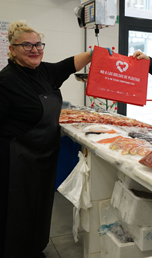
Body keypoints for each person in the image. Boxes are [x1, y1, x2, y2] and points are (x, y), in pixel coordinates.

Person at [0, 20, 94, 258]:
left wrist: (96, 53)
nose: (35, 50)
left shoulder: (44, 71)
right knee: (17, 211)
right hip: (17, 158)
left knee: (40, 206)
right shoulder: (6, 80)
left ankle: (35, 248)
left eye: (38, 44)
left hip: (44, 154)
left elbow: (69, 64)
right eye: (27, 46)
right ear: (12, 49)